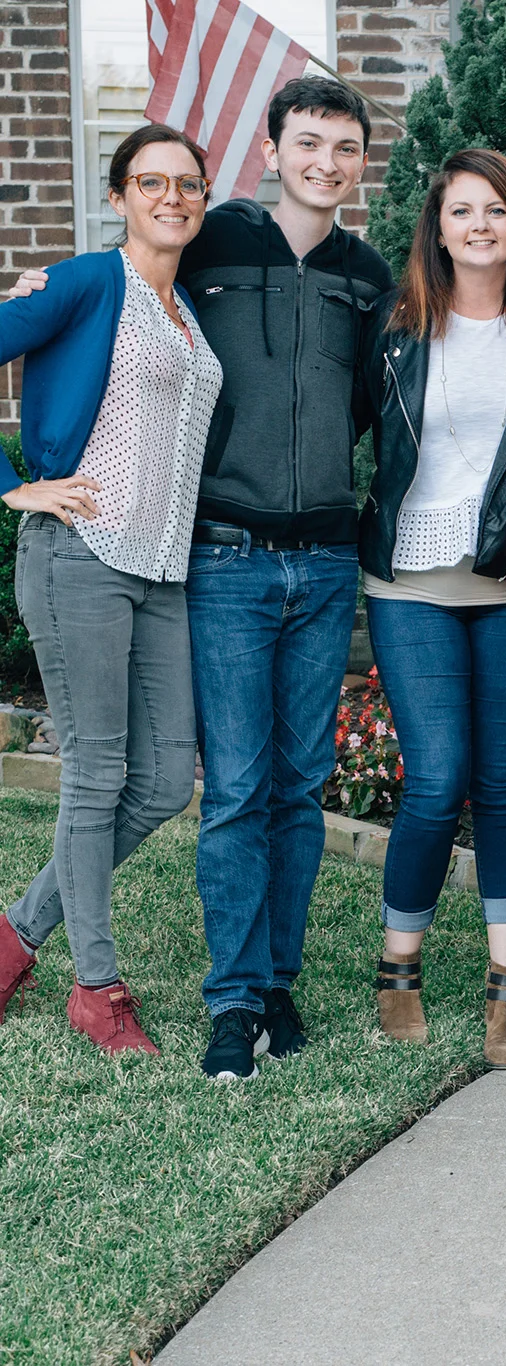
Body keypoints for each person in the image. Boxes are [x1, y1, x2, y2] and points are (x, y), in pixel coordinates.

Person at [0, 125, 220, 1055]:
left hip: (161, 572)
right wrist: (13, 484)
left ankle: (13, 935)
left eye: (190, 185)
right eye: (153, 182)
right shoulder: (90, 282)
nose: (173, 197)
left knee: (166, 778)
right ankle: (97, 990)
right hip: (79, 553)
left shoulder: (187, 314)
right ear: (122, 194)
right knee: (96, 774)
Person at [361, 149, 506, 1069]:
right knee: (440, 778)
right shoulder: (394, 326)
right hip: (409, 582)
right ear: (436, 227)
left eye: (496, 210)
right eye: (461, 211)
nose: (478, 225)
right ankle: (400, 966)